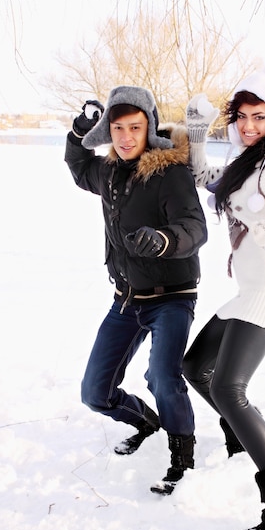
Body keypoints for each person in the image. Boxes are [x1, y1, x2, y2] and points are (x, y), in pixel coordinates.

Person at [183, 73, 265, 530]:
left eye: (261, 117)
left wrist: (264, 224)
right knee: (195, 366)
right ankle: (241, 434)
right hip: (250, 287)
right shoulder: (243, 162)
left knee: (228, 385)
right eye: (242, 118)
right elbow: (204, 178)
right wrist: (198, 134)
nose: (250, 125)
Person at [64, 85, 208, 495]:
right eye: (117, 127)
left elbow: (195, 227)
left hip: (172, 297)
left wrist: (164, 240)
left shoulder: (170, 173)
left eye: (135, 127)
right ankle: (146, 421)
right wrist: (78, 132)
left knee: (163, 376)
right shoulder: (108, 171)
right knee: (95, 392)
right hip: (126, 299)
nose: (126, 137)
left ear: (150, 128)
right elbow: (78, 166)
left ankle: (183, 457)